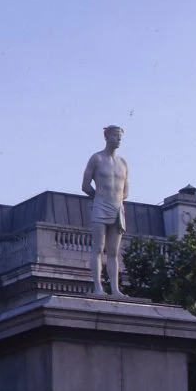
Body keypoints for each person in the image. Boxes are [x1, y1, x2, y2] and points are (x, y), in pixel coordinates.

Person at [81, 125, 129, 297]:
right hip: (100, 206)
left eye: (120, 136)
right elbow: (85, 185)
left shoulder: (123, 163)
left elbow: (126, 191)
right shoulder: (97, 159)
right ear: (107, 137)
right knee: (98, 248)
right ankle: (98, 287)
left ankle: (115, 289)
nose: (119, 139)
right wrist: (98, 197)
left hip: (117, 208)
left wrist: (115, 200)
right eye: (116, 136)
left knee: (114, 252)